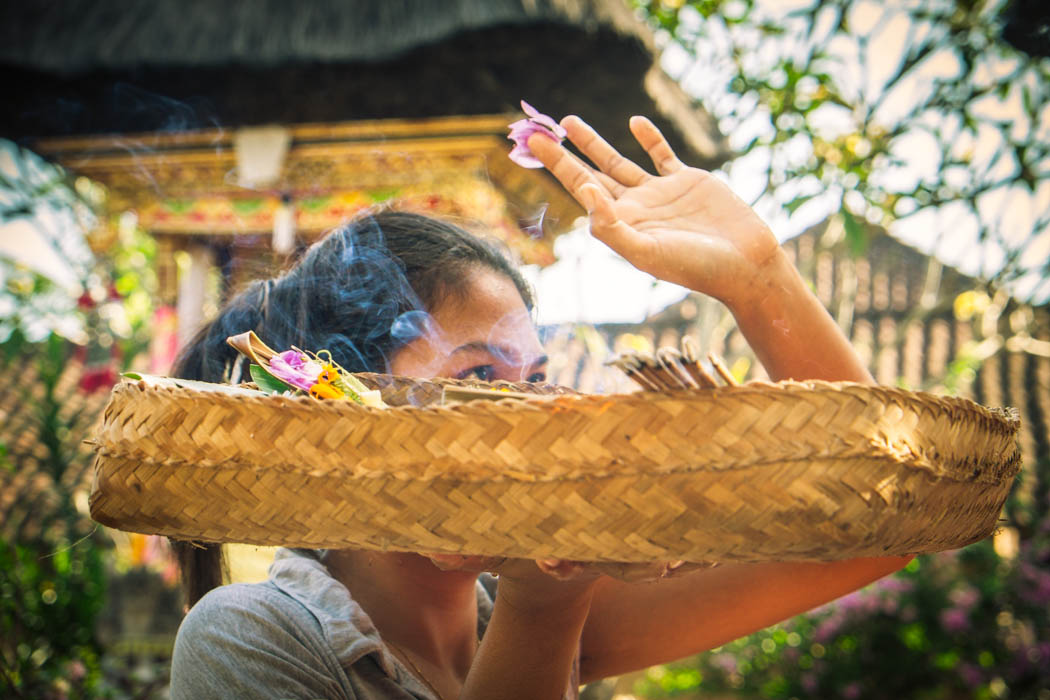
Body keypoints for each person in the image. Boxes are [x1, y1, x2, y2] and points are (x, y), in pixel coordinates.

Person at [169, 115, 911, 699]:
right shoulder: (252, 636)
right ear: (348, 408)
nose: (527, 414)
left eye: (536, 380)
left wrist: (761, 280)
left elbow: (878, 527)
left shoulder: (551, 611)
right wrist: (544, 605)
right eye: (481, 375)